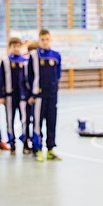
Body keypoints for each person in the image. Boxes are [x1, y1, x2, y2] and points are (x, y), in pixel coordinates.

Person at [28, 29, 62, 161]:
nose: (45, 42)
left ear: (50, 40)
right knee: (37, 123)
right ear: (39, 40)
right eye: (42, 39)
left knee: (52, 122)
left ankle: (50, 149)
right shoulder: (33, 56)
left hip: (52, 95)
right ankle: (37, 148)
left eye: (47, 39)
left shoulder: (56, 55)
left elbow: (58, 75)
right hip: (38, 96)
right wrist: (31, 93)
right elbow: (28, 77)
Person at [0, 37, 30, 154]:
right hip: (9, 96)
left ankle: (25, 141)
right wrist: (0, 96)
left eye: (18, 46)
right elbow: (1, 80)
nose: (16, 48)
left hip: (23, 96)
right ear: (10, 47)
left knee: (24, 119)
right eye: (14, 46)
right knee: (9, 119)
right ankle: (11, 142)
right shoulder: (5, 61)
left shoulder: (25, 61)